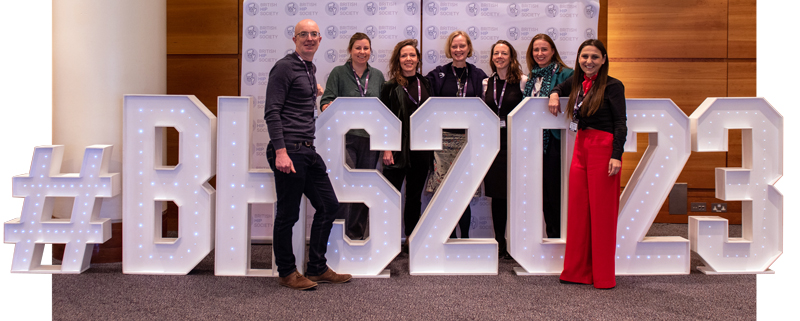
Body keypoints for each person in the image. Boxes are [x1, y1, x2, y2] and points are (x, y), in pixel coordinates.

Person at [264, 19, 351, 291]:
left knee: (329, 205)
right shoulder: (284, 67)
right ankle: (287, 272)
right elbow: (272, 112)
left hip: (307, 150)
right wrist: (280, 151)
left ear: (320, 39)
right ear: (294, 39)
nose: (309, 38)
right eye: (304, 34)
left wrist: (317, 90)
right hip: (288, 149)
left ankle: (316, 267)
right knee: (288, 215)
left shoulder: (309, 69)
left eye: (314, 34)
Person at [549, 39, 626, 289]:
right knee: (578, 211)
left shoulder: (614, 86)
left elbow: (620, 124)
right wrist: (553, 94)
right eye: (584, 57)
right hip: (581, 146)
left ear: (603, 59)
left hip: (603, 148)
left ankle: (603, 276)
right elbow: (560, 86)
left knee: (602, 214)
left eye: (594, 57)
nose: (588, 62)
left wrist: (617, 155)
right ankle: (577, 271)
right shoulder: (578, 82)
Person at [320, 32, 385, 240]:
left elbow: (383, 110)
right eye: (358, 48)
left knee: (363, 190)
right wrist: (328, 106)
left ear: (370, 51)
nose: (362, 52)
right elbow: (325, 101)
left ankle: (355, 236)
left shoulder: (377, 76)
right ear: (350, 50)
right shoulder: (338, 73)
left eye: (366, 48)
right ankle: (337, 237)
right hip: (344, 139)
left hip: (370, 140)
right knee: (344, 187)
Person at [424, 30, 488, 239]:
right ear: (449, 49)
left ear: (468, 48)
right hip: (443, 143)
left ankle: (466, 239)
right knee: (444, 193)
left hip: (468, 142)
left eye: (462, 46)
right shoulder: (438, 74)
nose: (458, 50)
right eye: (454, 46)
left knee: (463, 193)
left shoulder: (478, 75)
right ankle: (447, 237)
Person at [380, 39, 433, 244]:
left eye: (412, 55)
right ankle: (387, 239)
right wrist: (386, 148)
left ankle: (411, 238)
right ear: (398, 60)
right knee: (390, 196)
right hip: (395, 150)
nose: (408, 59)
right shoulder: (390, 86)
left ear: (418, 59)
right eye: (404, 56)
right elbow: (384, 119)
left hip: (421, 150)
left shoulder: (426, 83)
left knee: (413, 197)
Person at [523, 34, 574, 239]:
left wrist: (554, 92)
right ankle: (549, 236)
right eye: (536, 50)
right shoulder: (531, 77)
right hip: (533, 142)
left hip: (556, 142)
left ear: (553, 51)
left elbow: (572, 89)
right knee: (541, 193)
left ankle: (560, 237)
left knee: (556, 193)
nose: (540, 54)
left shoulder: (566, 73)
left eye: (544, 49)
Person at [481, 40, 528, 260]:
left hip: (515, 145)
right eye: (496, 53)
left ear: (511, 57)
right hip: (494, 147)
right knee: (498, 196)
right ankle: (501, 242)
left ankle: (519, 242)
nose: (500, 56)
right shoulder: (485, 83)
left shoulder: (522, 82)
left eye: (504, 53)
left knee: (517, 195)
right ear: (492, 57)